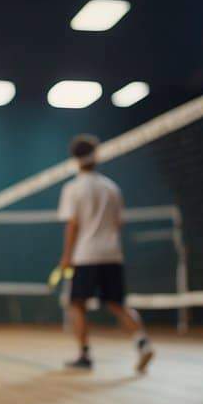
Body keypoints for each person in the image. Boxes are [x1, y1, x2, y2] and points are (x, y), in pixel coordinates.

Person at [57, 134, 153, 372]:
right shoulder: (112, 187)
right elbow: (118, 223)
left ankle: (84, 355)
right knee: (117, 304)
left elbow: (73, 225)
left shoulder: (74, 188)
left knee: (76, 304)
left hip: (85, 255)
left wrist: (66, 256)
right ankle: (142, 342)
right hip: (112, 254)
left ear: (75, 159)